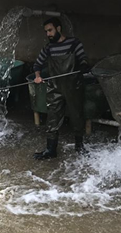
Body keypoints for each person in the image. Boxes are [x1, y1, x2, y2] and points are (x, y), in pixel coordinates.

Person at [33, 17, 90, 160]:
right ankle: (50, 150)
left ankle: (79, 147)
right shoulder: (48, 48)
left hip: (73, 86)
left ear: (58, 28)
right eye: (46, 31)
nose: (48, 34)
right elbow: (37, 65)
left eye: (50, 30)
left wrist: (83, 66)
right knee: (52, 119)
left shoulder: (74, 43)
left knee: (77, 117)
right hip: (55, 88)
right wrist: (38, 76)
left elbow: (83, 58)